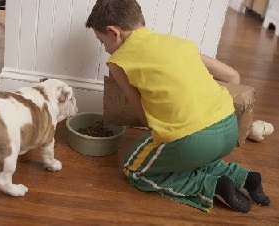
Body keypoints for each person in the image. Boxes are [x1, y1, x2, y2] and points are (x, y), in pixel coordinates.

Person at [85, 0, 270, 213]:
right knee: (182, 155)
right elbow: (231, 76)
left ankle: (210, 186)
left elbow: (145, 119)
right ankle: (243, 177)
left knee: (134, 167)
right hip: (229, 127)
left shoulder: (119, 61)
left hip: (193, 140)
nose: (105, 49)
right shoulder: (178, 42)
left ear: (113, 32)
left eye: (102, 42)